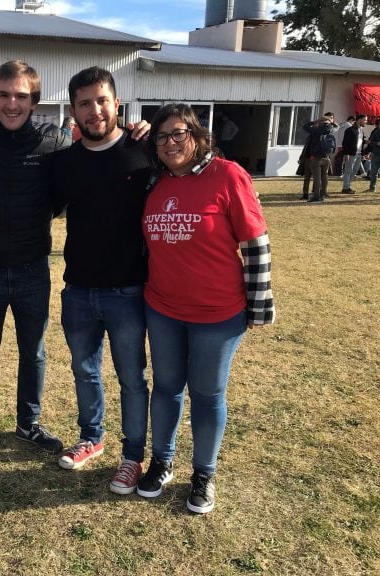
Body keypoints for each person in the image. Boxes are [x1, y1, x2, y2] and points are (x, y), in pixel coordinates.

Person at [138, 103, 274, 514]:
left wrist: (260, 305)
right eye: (161, 137)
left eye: (178, 133)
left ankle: (204, 473)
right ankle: (161, 461)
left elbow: (255, 243)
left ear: (197, 135)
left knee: (207, 393)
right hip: (162, 308)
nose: (170, 142)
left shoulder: (228, 175)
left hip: (218, 314)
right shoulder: (156, 183)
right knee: (165, 387)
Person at [0, 60, 72, 465]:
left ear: (34, 101)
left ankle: (28, 423)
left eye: (21, 95)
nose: (11, 103)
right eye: (4, 94)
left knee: (33, 352)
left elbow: (67, 192)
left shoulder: (52, 141)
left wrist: (138, 135)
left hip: (31, 270)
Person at [52, 67, 151, 495]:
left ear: (117, 103)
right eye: (85, 103)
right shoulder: (65, 162)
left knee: (131, 376)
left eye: (102, 100)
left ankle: (132, 457)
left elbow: (194, 154)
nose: (95, 110)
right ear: (74, 110)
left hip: (128, 290)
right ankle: (92, 438)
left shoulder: (144, 151)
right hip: (78, 289)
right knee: (84, 370)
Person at [302, 116, 336, 203]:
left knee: (317, 178)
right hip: (326, 157)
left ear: (320, 122)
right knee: (324, 177)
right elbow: (337, 126)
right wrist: (331, 122)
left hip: (316, 157)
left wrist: (314, 122)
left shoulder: (315, 130)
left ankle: (316, 196)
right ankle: (323, 194)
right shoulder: (331, 129)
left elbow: (305, 126)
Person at [340, 115, 367, 195]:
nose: (366, 122)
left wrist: (363, 152)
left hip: (359, 154)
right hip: (351, 154)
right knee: (348, 171)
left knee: (355, 171)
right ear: (359, 120)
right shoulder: (350, 130)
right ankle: (345, 188)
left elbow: (360, 142)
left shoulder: (361, 130)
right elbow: (345, 142)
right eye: (365, 120)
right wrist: (346, 153)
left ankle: (348, 186)